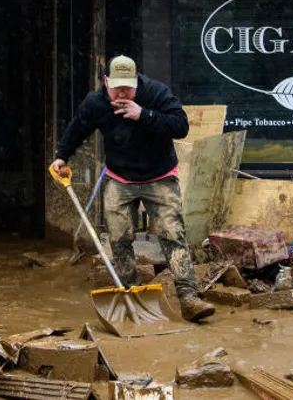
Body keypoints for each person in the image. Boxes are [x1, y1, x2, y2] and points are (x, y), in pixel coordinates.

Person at [50, 55, 216, 322]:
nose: (123, 93)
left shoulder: (155, 93)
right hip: (120, 177)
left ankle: (188, 297)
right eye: (117, 88)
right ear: (106, 82)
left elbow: (181, 126)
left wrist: (144, 114)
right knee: (119, 238)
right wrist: (61, 155)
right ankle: (133, 293)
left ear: (137, 82)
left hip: (159, 175)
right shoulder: (96, 102)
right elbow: (78, 127)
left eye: (128, 88)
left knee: (173, 234)